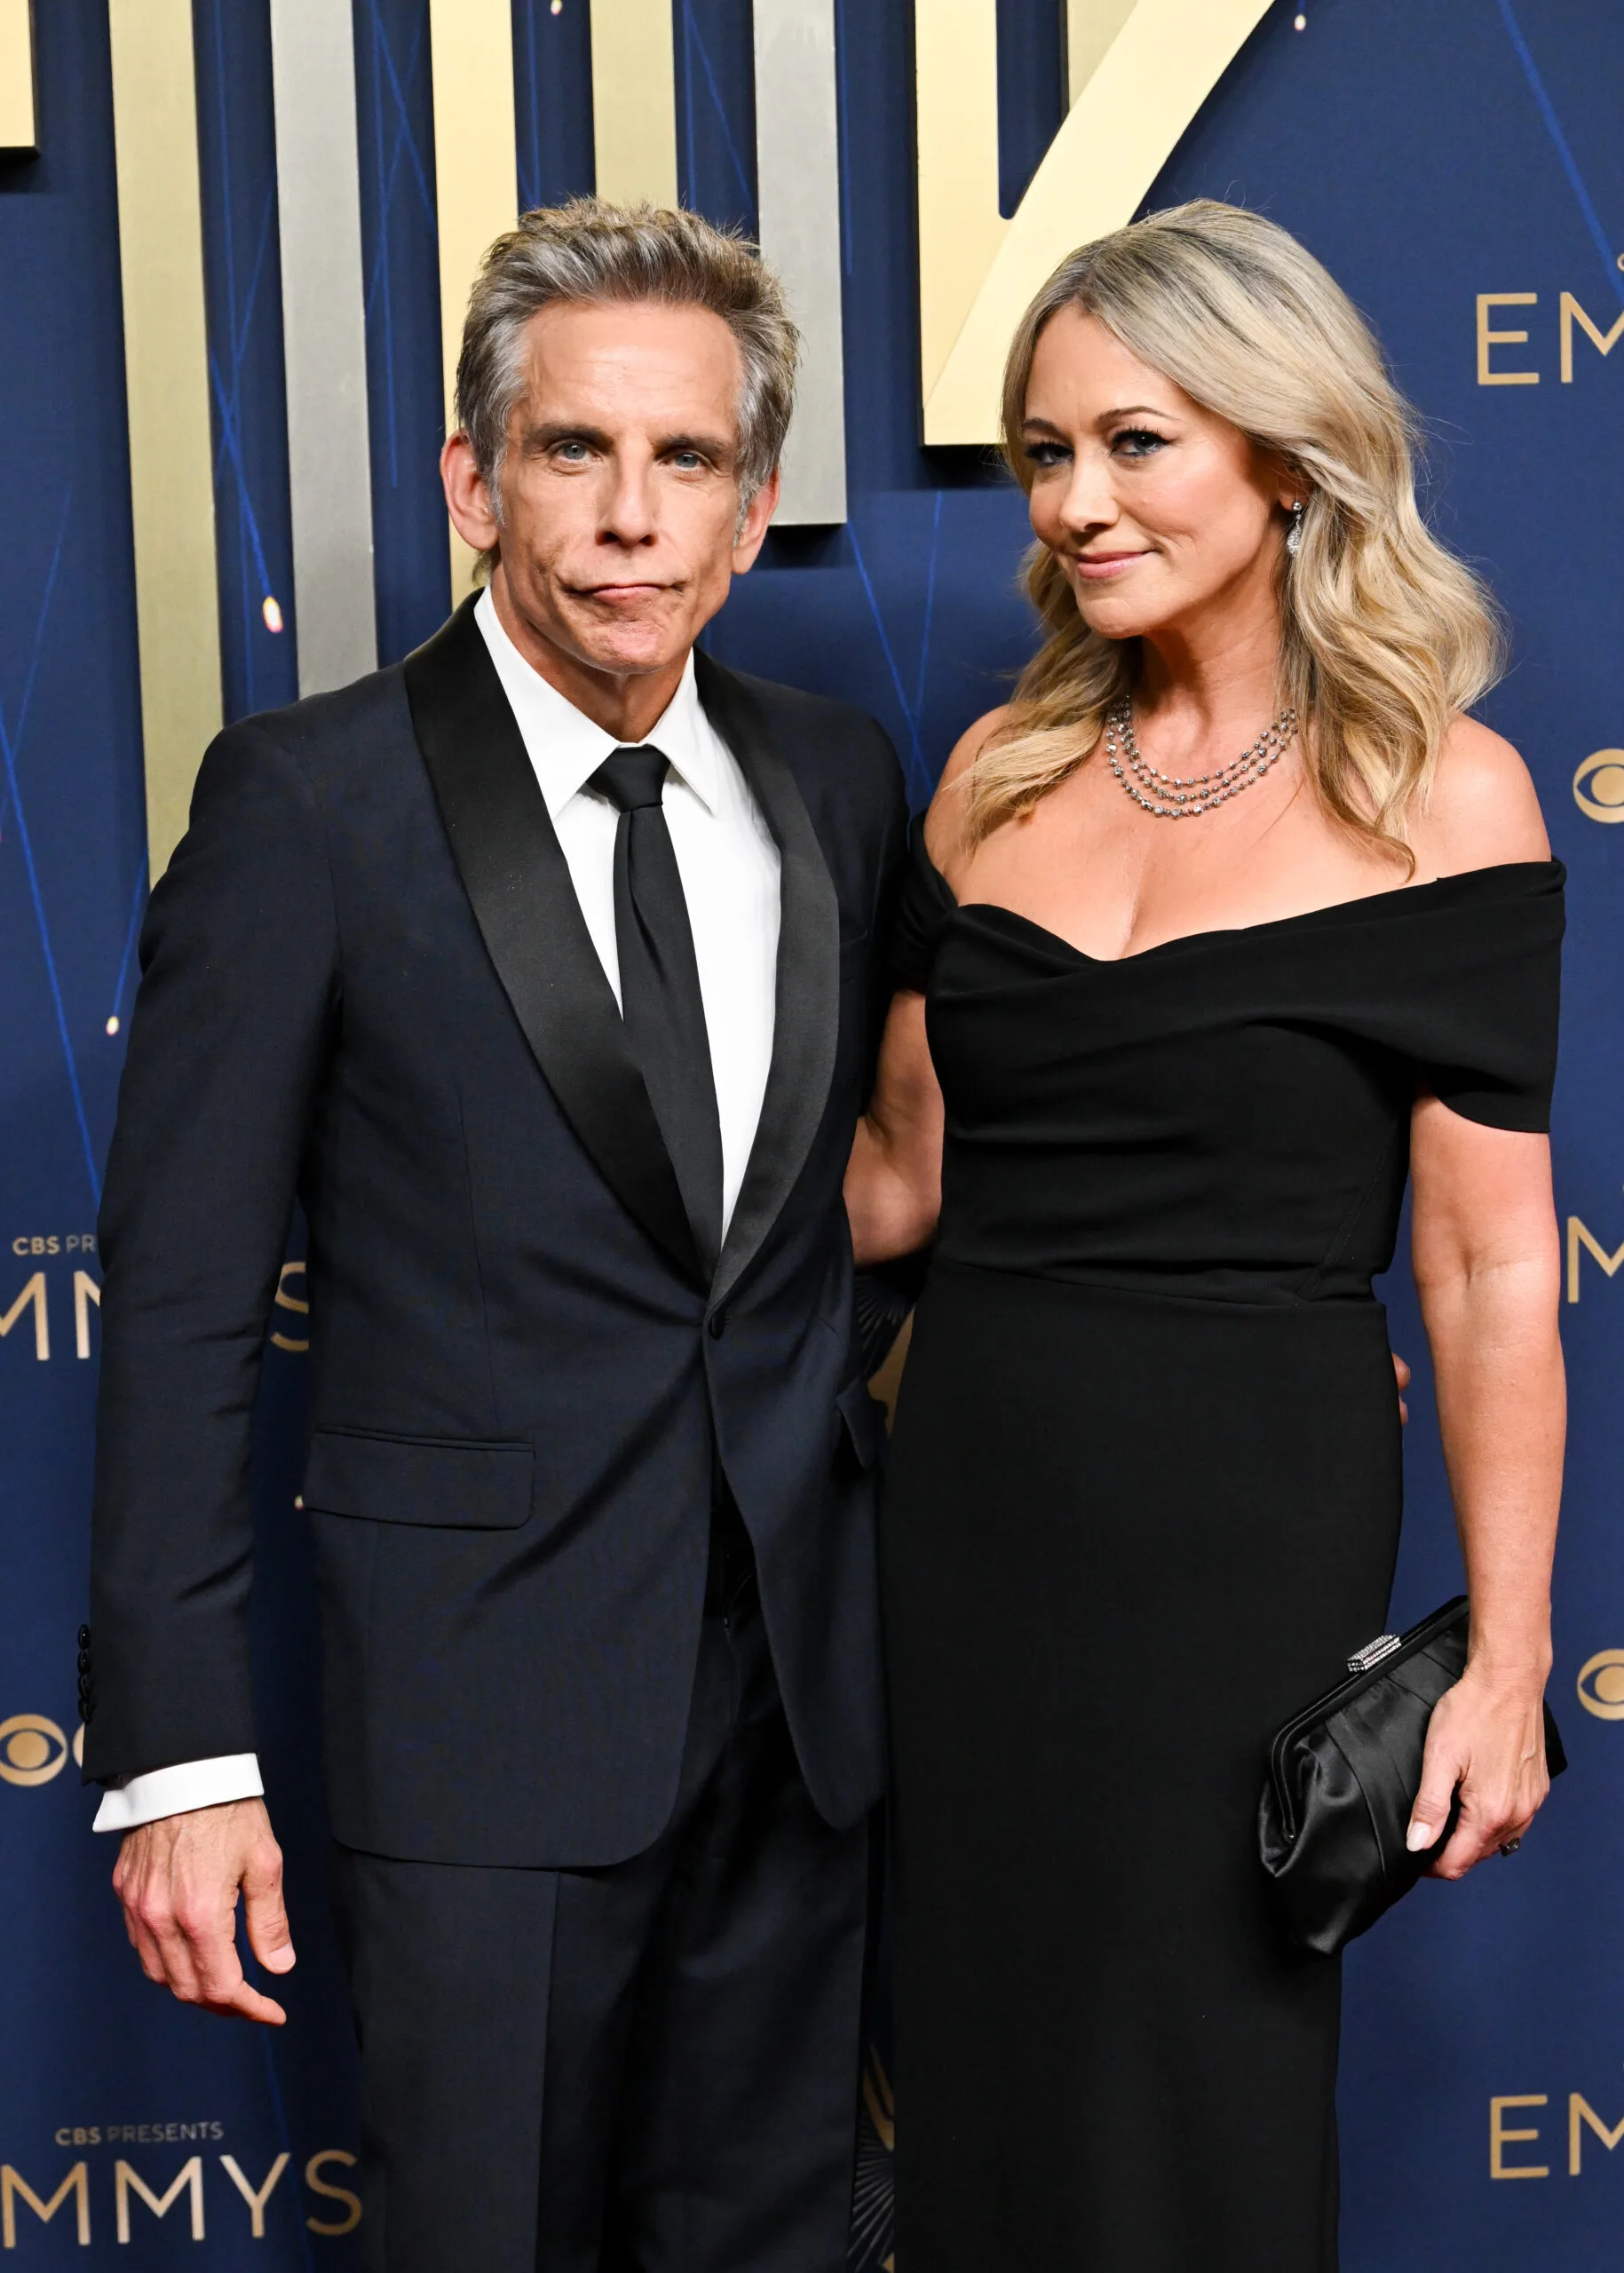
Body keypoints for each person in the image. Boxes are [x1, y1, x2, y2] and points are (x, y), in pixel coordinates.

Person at [82, 200, 907, 2273]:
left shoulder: (835, 779)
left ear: (753, 505)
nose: (631, 517)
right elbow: (178, 1312)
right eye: (571, 451)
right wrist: (175, 1752)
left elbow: (844, 1211)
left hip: (802, 1713)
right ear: (470, 479)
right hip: (478, 1717)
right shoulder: (307, 804)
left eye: (685, 460)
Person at [845, 201, 1565, 2272]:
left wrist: (1503, 1652)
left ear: (1282, 449)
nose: (1073, 502)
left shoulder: (1445, 795)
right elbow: (898, 1176)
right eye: (1043, 453)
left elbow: (1489, 1265)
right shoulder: (993, 772)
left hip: (1238, 1531)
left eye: (1132, 442)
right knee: (973, 2060)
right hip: (966, 1508)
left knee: (1197, 2082)